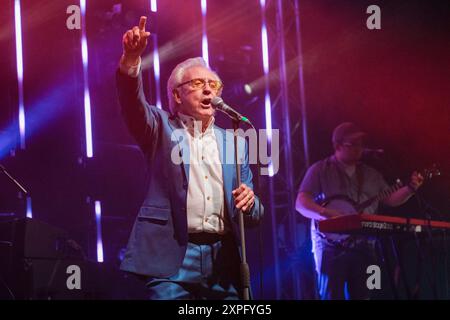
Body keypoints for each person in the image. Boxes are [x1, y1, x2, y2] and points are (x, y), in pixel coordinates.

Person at [116, 16, 263, 300]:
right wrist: (131, 59)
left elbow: (254, 214)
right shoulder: (159, 126)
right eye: (198, 83)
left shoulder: (235, 142)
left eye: (214, 85)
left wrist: (251, 201)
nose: (209, 89)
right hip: (172, 259)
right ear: (177, 95)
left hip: (225, 262)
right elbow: (131, 103)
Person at [295, 122, 424, 300]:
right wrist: (328, 214)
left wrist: (410, 189)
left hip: (365, 244)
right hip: (329, 247)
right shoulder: (320, 170)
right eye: (353, 144)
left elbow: (390, 200)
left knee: (365, 295)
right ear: (337, 146)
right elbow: (301, 203)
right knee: (332, 295)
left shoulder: (372, 174)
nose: (359, 148)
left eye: (361, 144)